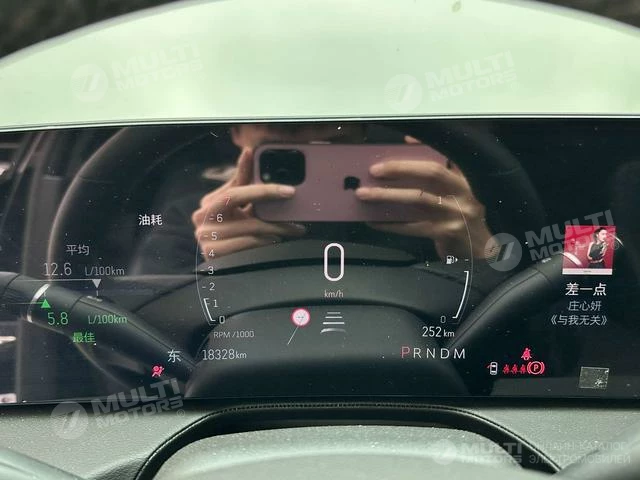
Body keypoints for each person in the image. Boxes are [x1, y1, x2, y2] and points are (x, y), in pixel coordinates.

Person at [189, 122, 495, 266]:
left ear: (364, 130)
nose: (319, 162)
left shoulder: (433, 201)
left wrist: (478, 250)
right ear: (235, 130)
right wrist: (209, 262)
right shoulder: (202, 216)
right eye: (281, 152)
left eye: (336, 144)